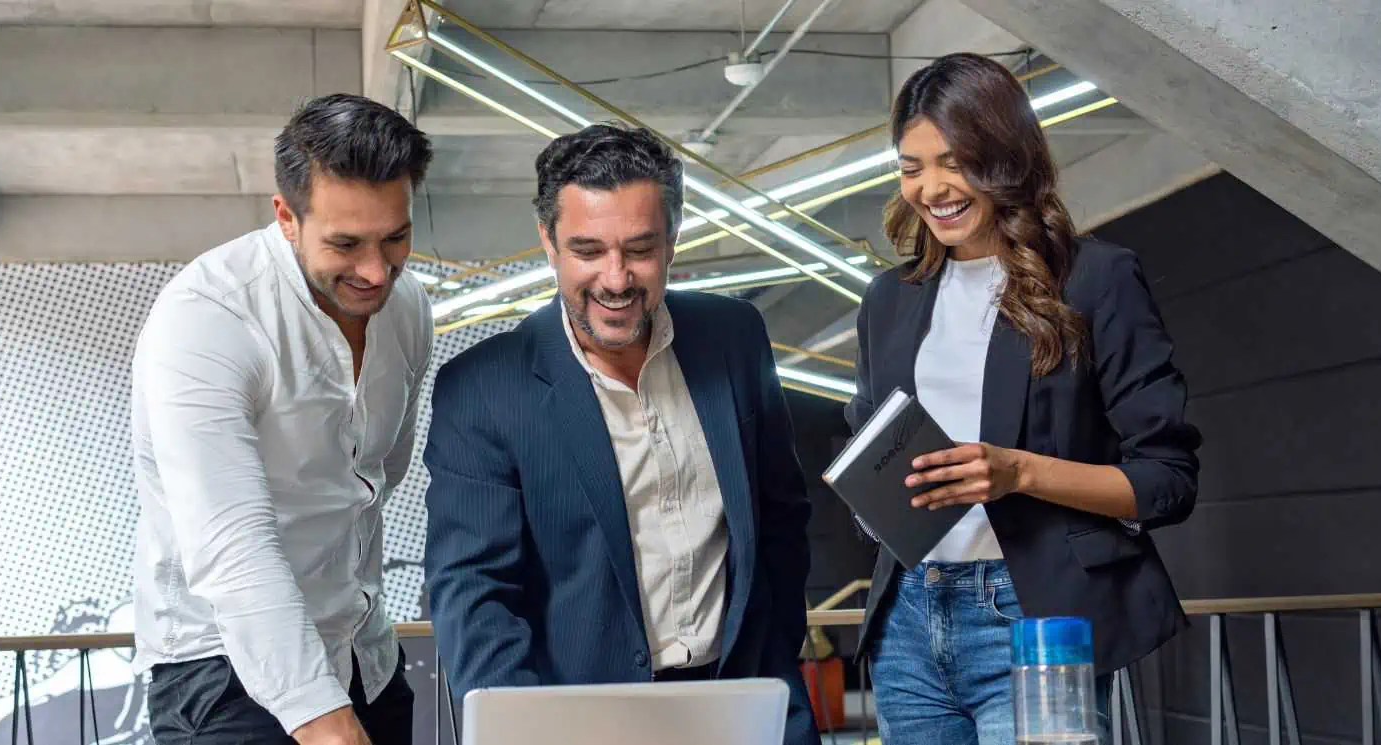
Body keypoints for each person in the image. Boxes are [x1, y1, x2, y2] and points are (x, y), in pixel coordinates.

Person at [422, 123, 820, 745]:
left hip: (743, 706)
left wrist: (771, 660)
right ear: (548, 243)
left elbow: (781, 520)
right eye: (587, 250)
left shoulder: (734, 338)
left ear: (673, 240)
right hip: (578, 723)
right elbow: (474, 591)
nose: (615, 279)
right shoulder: (484, 387)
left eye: (639, 249)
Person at [847, 53, 1203, 745]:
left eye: (954, 161)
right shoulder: (889, 299)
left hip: (1031, 615)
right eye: (911, 165)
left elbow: (1168, 481)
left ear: (1004, 157)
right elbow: (868, 442)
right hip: (910, 619)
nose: (931, 187)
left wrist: (1017, 472)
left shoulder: (1095, 279)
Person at [130, 93, 433, 745]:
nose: (376, 271)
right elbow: (231, 540)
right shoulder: (207, 317)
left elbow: (381, 474)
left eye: (396, 237)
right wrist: (321, 717)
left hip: (365, 657)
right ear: (286, 217)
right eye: (346, 243)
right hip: (220, 668)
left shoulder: (408, 308)